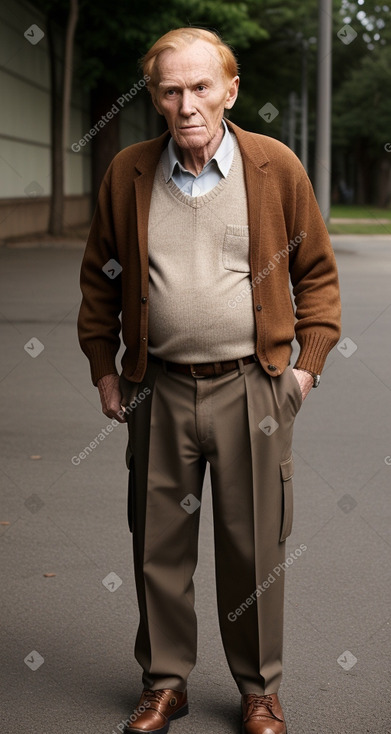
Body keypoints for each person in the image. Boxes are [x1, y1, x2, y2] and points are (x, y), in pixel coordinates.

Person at [77, 27, 341, 734]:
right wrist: (105, 369)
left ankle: (257, 691)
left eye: (200, 87)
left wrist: (303, 371)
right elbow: (99, 279)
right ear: (156, 96)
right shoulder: (129, 172)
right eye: (170, 89)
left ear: (229, 89)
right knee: (157, 546)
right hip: (156, 388)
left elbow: (315, 274)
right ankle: (165, 683)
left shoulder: (273, 167)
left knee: (252, 547)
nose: (185, 103)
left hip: (254, 386)